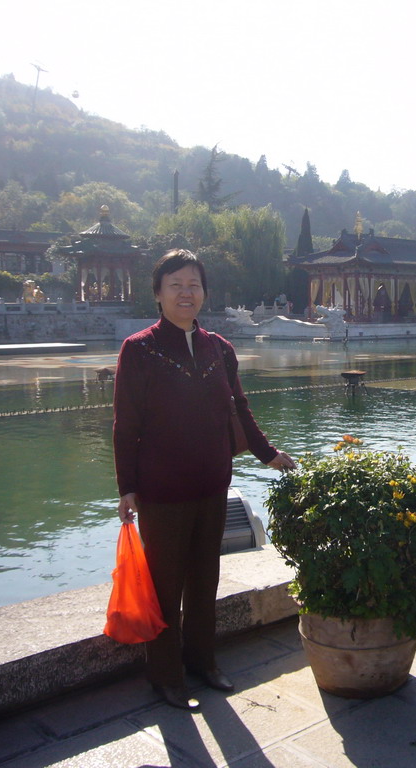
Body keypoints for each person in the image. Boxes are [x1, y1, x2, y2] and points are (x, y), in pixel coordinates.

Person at [113, 248, 295, 711]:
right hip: (162, 490)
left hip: (212, 483)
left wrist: (267, 453)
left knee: (204, 581)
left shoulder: (220, 348)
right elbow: (125, 424)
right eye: (175, 284)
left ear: (204, 292)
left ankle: (203, 662)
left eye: (193, 284)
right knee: (165, 585)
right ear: (157, 294)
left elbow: (240, 408)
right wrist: (126, 487)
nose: (185, 293)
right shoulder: (140, 349)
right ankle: (166, 675)